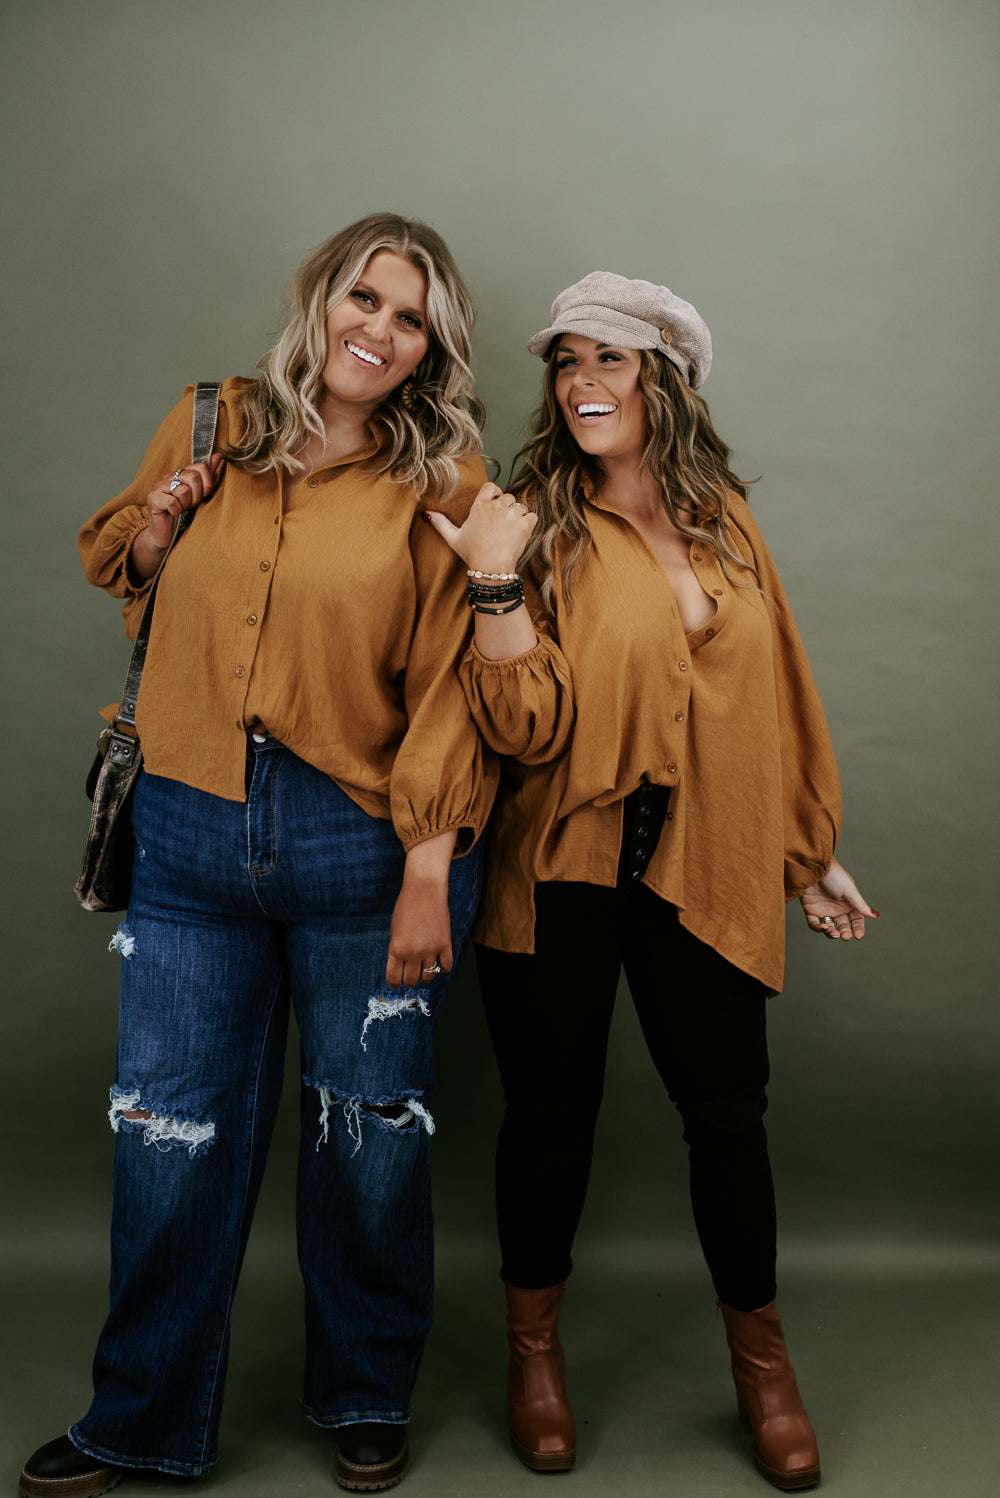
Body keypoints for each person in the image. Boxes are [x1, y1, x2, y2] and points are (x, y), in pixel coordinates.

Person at [21, 214, 494, 1498]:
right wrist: (160, 532)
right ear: (320, 297)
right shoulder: (210, 422)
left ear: (432, 349)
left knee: (370, 1138)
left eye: (411, 318)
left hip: (364, 837)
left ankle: (364, 1390)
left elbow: (455, 685)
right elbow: (125, 563)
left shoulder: (444, 478)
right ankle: (141, 1415)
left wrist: (426, 864)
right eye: (365, 297)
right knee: (167, 1133)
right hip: (187, 823)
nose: (379, 330)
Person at [427, 272, 877, 1491]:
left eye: (609, 358)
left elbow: (776, 688)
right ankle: (534, 1359)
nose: (581, 381)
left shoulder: (721, 516)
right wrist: (495, 583)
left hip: (704, 856)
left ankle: (763, 1371)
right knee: (549, 1118)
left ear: (663, 378)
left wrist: (806, 850)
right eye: (565, 360)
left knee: (727, 1117)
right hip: (562, 860)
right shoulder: (529, 519)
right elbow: (517, 727)